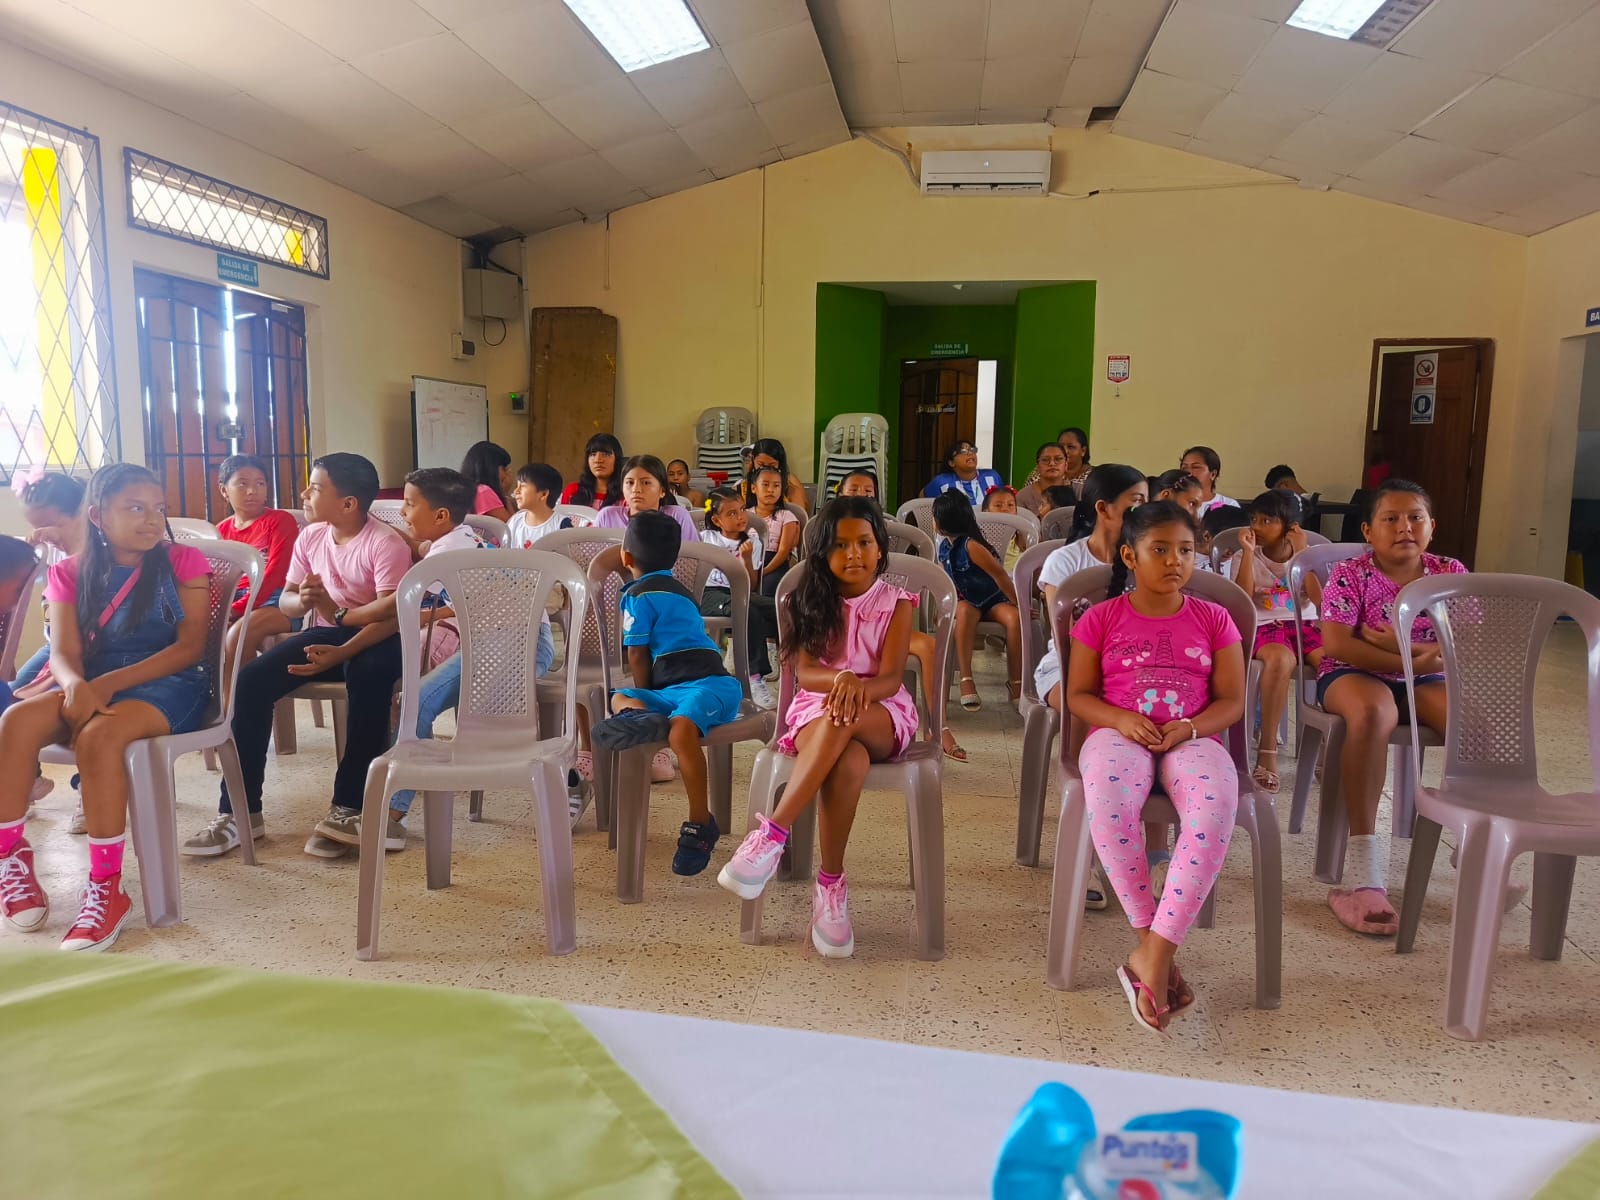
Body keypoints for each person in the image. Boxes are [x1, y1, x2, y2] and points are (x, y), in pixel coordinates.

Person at [0, 463, 213, 950]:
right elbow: (63, 652)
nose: (151, 519)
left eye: (158, 508)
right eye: (135, 508)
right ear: (98, 516)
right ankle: (10, 857)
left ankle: (106, 887)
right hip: (94, 680)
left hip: (169, 683)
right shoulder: (68, 572)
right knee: (16, 720)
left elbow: (189, 647)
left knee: (99, 735)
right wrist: (76, 685)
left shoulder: (183, 561)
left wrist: (105, 686)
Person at [1067, 499, 1245, 1032]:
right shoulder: (1101, 618)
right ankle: (1152, 947)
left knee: (1215, 806)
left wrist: (1191, 727)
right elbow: (1078, 695)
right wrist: (1121, 720)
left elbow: (1232, 700)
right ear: (1130, 555)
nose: (1175, 561)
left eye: (1186, 550)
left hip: (1192, 735)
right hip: (1119, 733)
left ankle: (1153, 954)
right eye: (1160, 550)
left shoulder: (1214, 618)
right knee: (1108, 798)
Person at [183, 452, 411, 860]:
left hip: (380, 637)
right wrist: (302, 600)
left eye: (316, 488)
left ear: (348, 503)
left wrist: (342, 651)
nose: (305, 494)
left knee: (368, 677)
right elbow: (288, 600)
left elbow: (390, 617)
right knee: (251, 682)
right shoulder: (312, 536)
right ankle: (240, 811)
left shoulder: (384, 543)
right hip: (327, 631)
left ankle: (351, 809)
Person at [717, 498, 919, 958]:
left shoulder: (898, 604)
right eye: (841, 545)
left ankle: (772, 835)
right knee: (847, 760)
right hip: (817, 707)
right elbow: (805, 673)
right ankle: (831, 885)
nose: (854, 554)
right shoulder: (806, 599)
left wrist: (855, 687)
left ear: (880, 547)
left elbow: (890, 679)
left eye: (864, 542)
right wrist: (841, 679)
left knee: (844, 716)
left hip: (881, 712)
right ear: (822, 553)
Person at [315, 468, 554, 847]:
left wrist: (341, 615)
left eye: (410, 505)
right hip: (499, 639)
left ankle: (392, 817)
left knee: (418, 701)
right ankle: (399, 800)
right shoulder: (457, 537)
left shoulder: (448, 555)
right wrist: (379, 524)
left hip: (516, 645)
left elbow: (394, 609)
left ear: (441, 515)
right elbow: (420, 546)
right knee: (414, 702)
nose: (402, 513)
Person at [1315, 480, 1464, 937]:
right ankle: (1365, 872)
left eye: (1416, 517)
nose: (1405, 527)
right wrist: (1417, 656)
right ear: (1368, 530)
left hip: (1428, 676)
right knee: (1374, 714)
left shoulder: (1449, 572)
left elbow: (1467, 642)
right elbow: (1339, 644)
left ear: (1432, 526)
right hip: (1354, 673)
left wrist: (1410, 654)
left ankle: (1474, 844)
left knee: (1470, 724)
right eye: (1391, 519)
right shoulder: (1350, 573)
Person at [592, 512, 745, 876]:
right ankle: (639, 715)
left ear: (627, 557)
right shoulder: (682, 592)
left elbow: (636, 653)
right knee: (620, 696)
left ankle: (700, 821)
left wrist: (645, 693)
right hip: (677, 688)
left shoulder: (636, 596)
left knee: (676, 729)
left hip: (708, 684)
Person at [826, 468, 966, 761]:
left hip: (886, 620)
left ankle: (938, 726)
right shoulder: (827, 527)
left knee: (928, 645)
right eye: (854, 490)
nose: (861, 496)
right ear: (840, 494)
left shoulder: (890, 528)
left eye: (868, 491)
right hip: (841, 621)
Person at [1032, 465, 1149, 715]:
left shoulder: (1146, 561)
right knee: (1088, 705)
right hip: (1067, 666)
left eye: (1146, 503)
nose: (1144, 512)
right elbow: (1063, 635)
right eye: (1137, 502)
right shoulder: (1064, 561)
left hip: (1134, 665)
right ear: (1103, 508)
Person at [1229, 491, 1321, 795]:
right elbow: (1242, 600)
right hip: (1266, 626)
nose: (1256, 526)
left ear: (1290, 526)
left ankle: (1326, 743)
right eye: (1254, 519)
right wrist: (1246, 552)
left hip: (1306, 624)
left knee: (1332, 661)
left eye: (1267, 520)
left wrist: (1303, 555)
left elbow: (1320, 601)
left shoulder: (1307, 555)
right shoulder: (1245, 555)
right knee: (1280, 660)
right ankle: (1267, 748)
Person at [934, 492, 1022, 713]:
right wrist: (943, 607)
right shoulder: (943, 548)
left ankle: (1016, 681)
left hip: (993, 599)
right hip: (968, 602)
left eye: (935, 516)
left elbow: (1000, 576)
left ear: (945, 520)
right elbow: (946, 582)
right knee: (963, 611)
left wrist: (1018, 604)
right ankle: (966, 678)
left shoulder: (971, 546)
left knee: (1014, 619)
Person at [215, 454, 301, 679]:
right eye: (242, 484)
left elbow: (275, 574)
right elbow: (216, 580)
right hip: (235, 600)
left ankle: (238, 700)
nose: (252, 491)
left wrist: (238, 609)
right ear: (224, 490)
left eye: (260, 483)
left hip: (277, 600)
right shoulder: (220, 531)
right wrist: (222, 609)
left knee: (238, 634)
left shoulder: (280, 521)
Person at [698, 486, 779, 711]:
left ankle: (785, 660)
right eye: (731, 513)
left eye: (742, 509)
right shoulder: (705, 539)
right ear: (717, 520)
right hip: (709, 593)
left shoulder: (752, 542)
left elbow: (751, 584)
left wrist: (746, 558)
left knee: (781, 607)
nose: (741, 516)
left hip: (741, 591)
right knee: (748, 611)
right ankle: (755, 678)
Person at [595, 455, 701, 543]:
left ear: (662, 490)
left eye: (646, 483)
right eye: (630, 482)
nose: (636, 489)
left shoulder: (677, 517)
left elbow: (692, 558)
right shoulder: (607, 516)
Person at [748, 463, 800, 598]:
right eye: (765, 485)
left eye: (776, 486)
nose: (771, 490)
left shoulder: (787, 516)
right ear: (754, 488)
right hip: (748, 559)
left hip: (775, 563)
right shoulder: (746, 515)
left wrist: (764, 571)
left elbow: (783, 551)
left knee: (768, 586)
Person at [506, 463, 569, 547]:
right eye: (517, 486)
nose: (516, 491)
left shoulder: (562, 525)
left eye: (523, 486)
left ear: (543, 494)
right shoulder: (515, 522)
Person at [922, 440, 1004, 505]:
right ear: (952, 463)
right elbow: (922, 499)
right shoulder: (941, 481)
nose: (970, 453)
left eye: (972, 450)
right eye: (963, 451)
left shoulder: (992, 476)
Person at [560, 433, 624, 509]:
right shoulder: (573, 491)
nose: (598, 460)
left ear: (617, 459)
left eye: (605, 454)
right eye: (593, 454)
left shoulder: (626, 496)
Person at [745, 438, 809, 512]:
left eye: (772, 465)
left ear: (780, 464)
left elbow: (800, 516)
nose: (766, 469)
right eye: (761, 465)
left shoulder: (791, 488)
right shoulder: (741, 487)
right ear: (753, 460)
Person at [460, 440, 513, 520]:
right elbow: (511, 525)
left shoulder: (463, 488)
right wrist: (505, 493)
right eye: (504, 469)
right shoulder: (483, 492)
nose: (507, 473)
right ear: (491, 468)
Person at [1016, 442, 1070, 516]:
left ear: (1066, 465)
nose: (1052, 463)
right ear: (1038, 467)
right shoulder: (1023, 496)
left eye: (1058, 459)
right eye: (1045, 460)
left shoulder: (1078, 491)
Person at [981, 485, 1027, 571]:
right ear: (985, 512)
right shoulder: (979, 538)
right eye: (998, 505)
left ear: (1016, 512)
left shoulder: (1023, 538)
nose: (1005, 509)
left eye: (1010, 505)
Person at [1180, 445, 1237, 514]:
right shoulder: (1175, 504)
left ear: (1213, 474)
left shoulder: (1229, 505)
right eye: (1184, 467)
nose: (1188, 472)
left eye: (1196, 467)